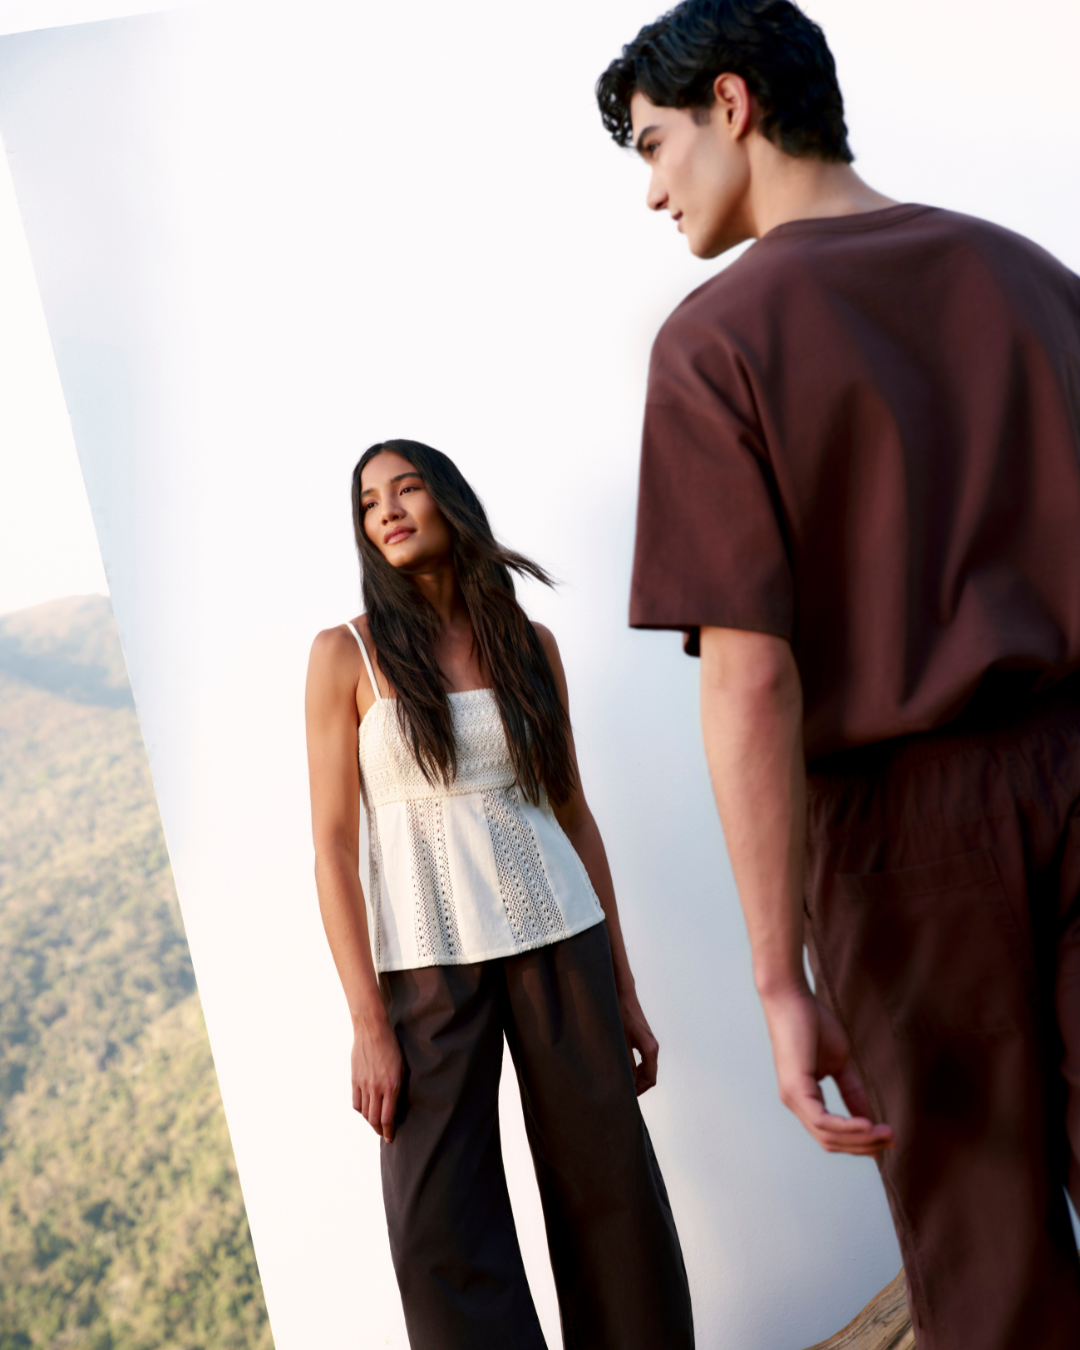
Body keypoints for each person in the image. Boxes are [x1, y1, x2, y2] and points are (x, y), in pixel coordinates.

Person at [595, 2, 1080, 1348]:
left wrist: (775, 979)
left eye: (654, 143)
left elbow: (752, 684)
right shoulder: (1031, 276)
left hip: (904, 843)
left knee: (986, 1268)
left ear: (733, 105)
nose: (650, 188)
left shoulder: (718, 343)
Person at [304, 439, 694, 1350]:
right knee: (436, 1223)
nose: (388, 511)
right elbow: (330, 848)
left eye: (407, 489)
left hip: (562, 940)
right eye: (368, 503)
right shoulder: (343, 656)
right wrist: (368, 1022)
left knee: (611, 1195)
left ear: (450, 501)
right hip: (425, 971)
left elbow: (572, 812)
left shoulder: (529, 645)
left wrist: (625, 991)